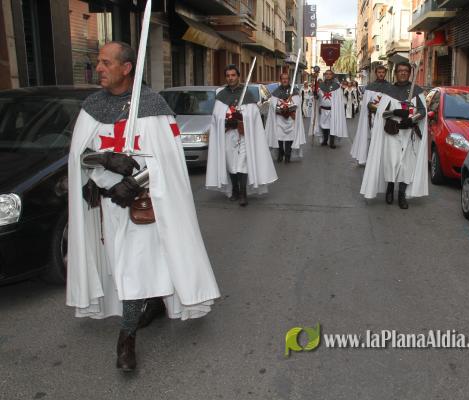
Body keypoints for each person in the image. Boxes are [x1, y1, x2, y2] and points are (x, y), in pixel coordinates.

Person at [67, 41, 220, 372]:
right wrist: (105, 159)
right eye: (98, 62)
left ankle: (126, 340)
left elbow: (168, 162)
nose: (99, 68)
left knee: (133, 269)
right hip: (107, 206)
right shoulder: (92, 107)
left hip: (141, 204)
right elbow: (79, 156)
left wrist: (134, 183)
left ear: (126, 68)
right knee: (121, 266)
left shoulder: (153, 107)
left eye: (106, 63)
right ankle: (154, 303)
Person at [205, 64, 277, 206]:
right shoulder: (221, 96)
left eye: (233, 75)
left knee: (242, 164)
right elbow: (216, 118)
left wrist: (241, 119)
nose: (230, 78)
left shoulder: (247, 95)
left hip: (244, 136)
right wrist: (226, 120)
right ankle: (235, 190)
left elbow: (253, 117)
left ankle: (243, 194)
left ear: (238, 76)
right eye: (228, 76)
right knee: (231, 164)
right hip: (227, 136)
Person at [359, 61, 428, 209]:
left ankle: (401, 194)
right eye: (400, 70)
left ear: (409, 73)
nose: (403, 73)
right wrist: (395, 112)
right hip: (392, 132)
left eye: (406, 71)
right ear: (395, 73)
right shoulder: (388, 91)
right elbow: (379, 111)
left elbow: (423, 111)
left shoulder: (416, 91)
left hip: (409, 134)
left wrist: (411, 119)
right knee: (391, 163)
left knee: (406, 166)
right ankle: (390, 188)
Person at [350, 65, 392, 165]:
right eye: (379, 72)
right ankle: (371, 159)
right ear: (376, 73)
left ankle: (382, 160)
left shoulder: (390, 87)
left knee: (384, 138)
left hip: (385, 117)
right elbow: (367, 104)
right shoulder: (370, 87)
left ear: (385, 73)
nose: (381, 74)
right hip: (372, 117)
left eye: (383, 72)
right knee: (372, 137)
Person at [265, 72, 306, 163]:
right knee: (279, 137)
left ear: (289, 80)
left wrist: (289, 108)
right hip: (279, 119)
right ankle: (281, 153)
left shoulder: (294, 92)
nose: (284, 80)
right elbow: (272, 105)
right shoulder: (276, 92)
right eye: (283, 78)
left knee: (289, 137)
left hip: (290, 119)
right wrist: (280, 108)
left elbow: (297, 104)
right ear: (280, 80)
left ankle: (287, 155)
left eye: (286, 78)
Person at [308, 69, 348, 149]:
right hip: (323, 110)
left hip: (333, 110)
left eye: (330, 74)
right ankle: (325, 140)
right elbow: (317, 97)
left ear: (332, 75)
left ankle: (332, 142)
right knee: (323, 125)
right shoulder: (320, 86)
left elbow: (339, 99)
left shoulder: (337, 86)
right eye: (326, 74)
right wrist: (315, 94)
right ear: (324, 75)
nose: (328, 75)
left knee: (332, 126)